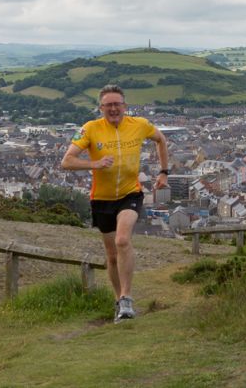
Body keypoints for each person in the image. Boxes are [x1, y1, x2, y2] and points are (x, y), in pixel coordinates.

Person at [61, 84, 169, 323]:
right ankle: (119, 300)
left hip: (131, 193)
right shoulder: (90, 129)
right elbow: (67, 161)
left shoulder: (139, 125)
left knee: (122, 240)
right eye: (108, 105)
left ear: (125, 106)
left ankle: (127, 298)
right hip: (101, 199)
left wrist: (163, 172)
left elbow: (161, 140)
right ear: (100, 108)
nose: (113, 108)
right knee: (111, 255)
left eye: (117, 104)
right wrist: (94, 164)